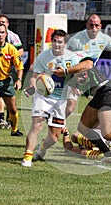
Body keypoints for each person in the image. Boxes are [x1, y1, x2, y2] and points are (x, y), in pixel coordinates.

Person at [21, 29, 94, 167]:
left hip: (61, 99)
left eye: (60, 42)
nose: (57, 44)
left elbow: (81, 72)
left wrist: (78, 84)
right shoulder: (43, 57)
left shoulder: (72, 58)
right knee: (37, 124)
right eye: (54, 41)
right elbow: (34, 76)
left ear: (65, 43)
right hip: (43, 96)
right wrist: (33, 86)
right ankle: (27, 156)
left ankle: (41, 148)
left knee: (54, 138)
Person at [66, 13, 111, 117]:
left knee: (104, 98)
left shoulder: (104, 38)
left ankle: (91, 129)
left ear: (100, 26)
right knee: (70, 107)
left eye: (97, 25)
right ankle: (57, 123)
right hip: (75, 74)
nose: (94, 28)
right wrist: (75, 79)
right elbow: (67, 60)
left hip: (92, 75)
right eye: (91, 25)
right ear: (86, 25)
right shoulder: (75, 40)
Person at [0, 14, 24, 129]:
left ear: (7, 24)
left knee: (9, 96)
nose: (1, 24)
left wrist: (10, 58)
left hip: (11, 68)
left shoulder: (13, 37)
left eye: (3, 22)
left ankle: (10, 120)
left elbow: (21, 50)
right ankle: (1, 119)